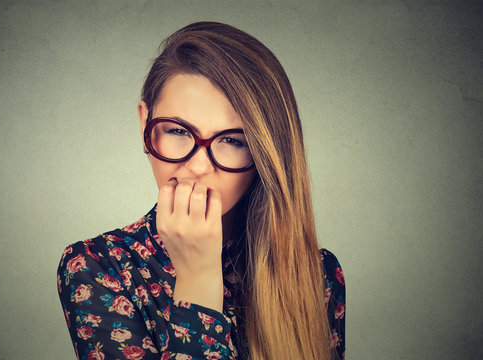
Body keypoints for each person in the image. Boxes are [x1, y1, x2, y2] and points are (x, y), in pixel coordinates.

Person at [57, 21, 345, 360]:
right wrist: (198, 278)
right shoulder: (96, 268)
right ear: (144, 126)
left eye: (231, 141)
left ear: (265, 154)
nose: (197, 165)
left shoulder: (316, 273)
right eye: (178, 131)